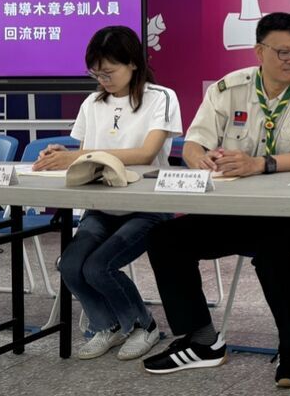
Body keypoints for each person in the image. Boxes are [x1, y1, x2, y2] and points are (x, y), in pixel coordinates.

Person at [141, 12, 290, 387]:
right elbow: (194, 143)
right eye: (284, 53)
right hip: (237, 209)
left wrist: (258, 164)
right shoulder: (229, 88)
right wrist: (200, 159)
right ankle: (202, 341)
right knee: (164, 238)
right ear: (259, 51)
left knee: (273, 250)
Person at [32, 25, 182, 362]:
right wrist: (65, 156)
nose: (103, 80)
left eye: (109, 72)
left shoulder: (161, 97)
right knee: (71, 265)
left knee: (99, 267)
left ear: (133, 63)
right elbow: (90, 159)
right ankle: (108, 325)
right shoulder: (92, 103)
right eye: (96, 74)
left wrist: (79, 155)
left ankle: (144, 326)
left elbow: (145, 154)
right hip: (102, 205)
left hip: (147, 207)